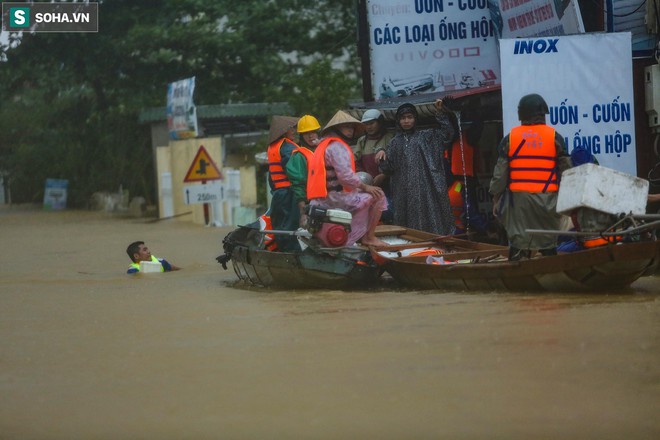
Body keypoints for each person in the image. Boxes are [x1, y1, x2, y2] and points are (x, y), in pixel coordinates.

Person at [489, 93, 572, 260]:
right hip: (548, 201)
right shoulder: (555, 138)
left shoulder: (510, 139)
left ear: (521, 115)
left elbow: (499, 177)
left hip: (519, 204)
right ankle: (552, 267)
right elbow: (567, 173)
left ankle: (518, 266)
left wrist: (495, 199)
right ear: (542, 115)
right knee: (548, 244)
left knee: (520, 243)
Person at [307, 110, 388, 247]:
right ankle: (368, 237)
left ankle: (352, 234)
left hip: (321, 198)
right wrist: (366, 187)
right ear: (336, 129)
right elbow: (346, 177)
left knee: (364, 195)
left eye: (351, 127)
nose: (350, 131)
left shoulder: (324, 144)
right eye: (346, 127)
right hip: (337, 199)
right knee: (379, 196)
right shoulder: (338, 147)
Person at [376, 99, 456, 235]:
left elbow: (447, 135)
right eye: (403, 118)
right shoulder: (394, 143)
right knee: (406, 225)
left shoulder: (426, 136)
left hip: (425, 190)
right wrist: (381, 153)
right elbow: (388, 169)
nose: (406, 121)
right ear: (398, 121)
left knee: (429, 217)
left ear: (415, 119)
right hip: (403, 193)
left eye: (410, 117)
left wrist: (440, 113)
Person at [266, 115, 301, 251]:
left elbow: (271, 177)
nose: (294, 130)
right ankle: (292, 255)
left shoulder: (273, 147)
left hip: (278, 194)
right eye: (291, 128)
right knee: (291, 226)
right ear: (283, 131)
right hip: (289, 194)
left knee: (280, 226)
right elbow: (295, 173)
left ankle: (282, 253)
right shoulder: (287, 147)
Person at [286, 114, 321, 228]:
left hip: (330, 199)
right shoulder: (299, 155)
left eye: (313, 132)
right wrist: (303, 211)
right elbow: (298, 184)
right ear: (301, 136)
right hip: (311, 204)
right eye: (306, 133)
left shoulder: (324, 150)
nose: (310, 136)